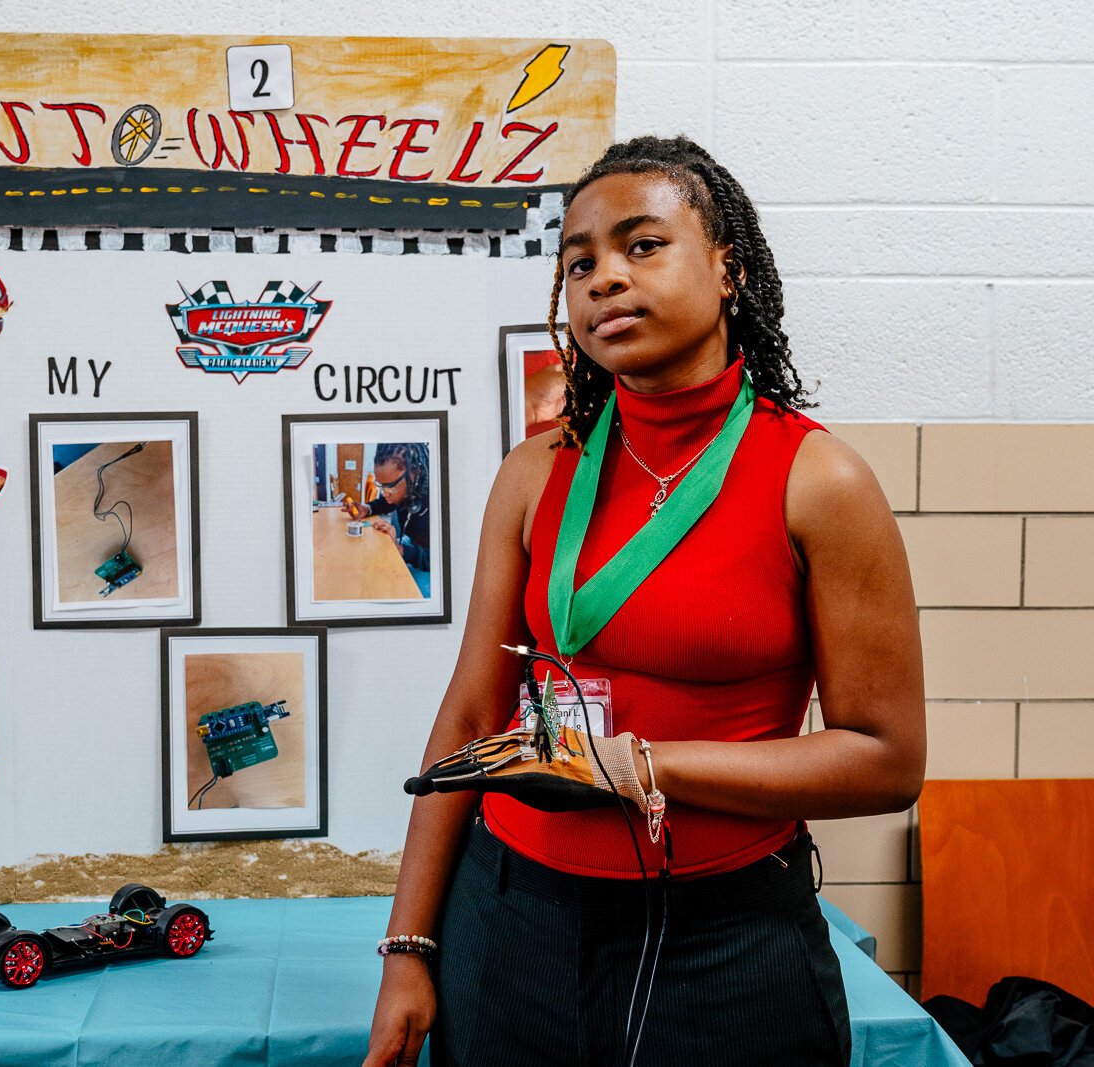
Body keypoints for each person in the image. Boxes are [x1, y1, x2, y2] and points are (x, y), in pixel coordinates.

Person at [364, 135, 925, 1066]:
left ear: (727, 267)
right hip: (509, 918)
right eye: (579, 262)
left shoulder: (817, 479)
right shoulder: (536, 471)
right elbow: (472, 710)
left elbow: (885, 760)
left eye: (641, 246)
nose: (602, 279)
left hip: (724, 938)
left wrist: (645, 764)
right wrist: (409, 947)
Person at [347, 442, 432, 576]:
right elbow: (386, 502)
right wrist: (368, 509)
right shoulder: (403, 490)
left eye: (390, 486)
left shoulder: (439, 501)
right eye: (381, 485)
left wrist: (401, 550)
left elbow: (443, 558)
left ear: (414, 474)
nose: (385, 493)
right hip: (411, 545)